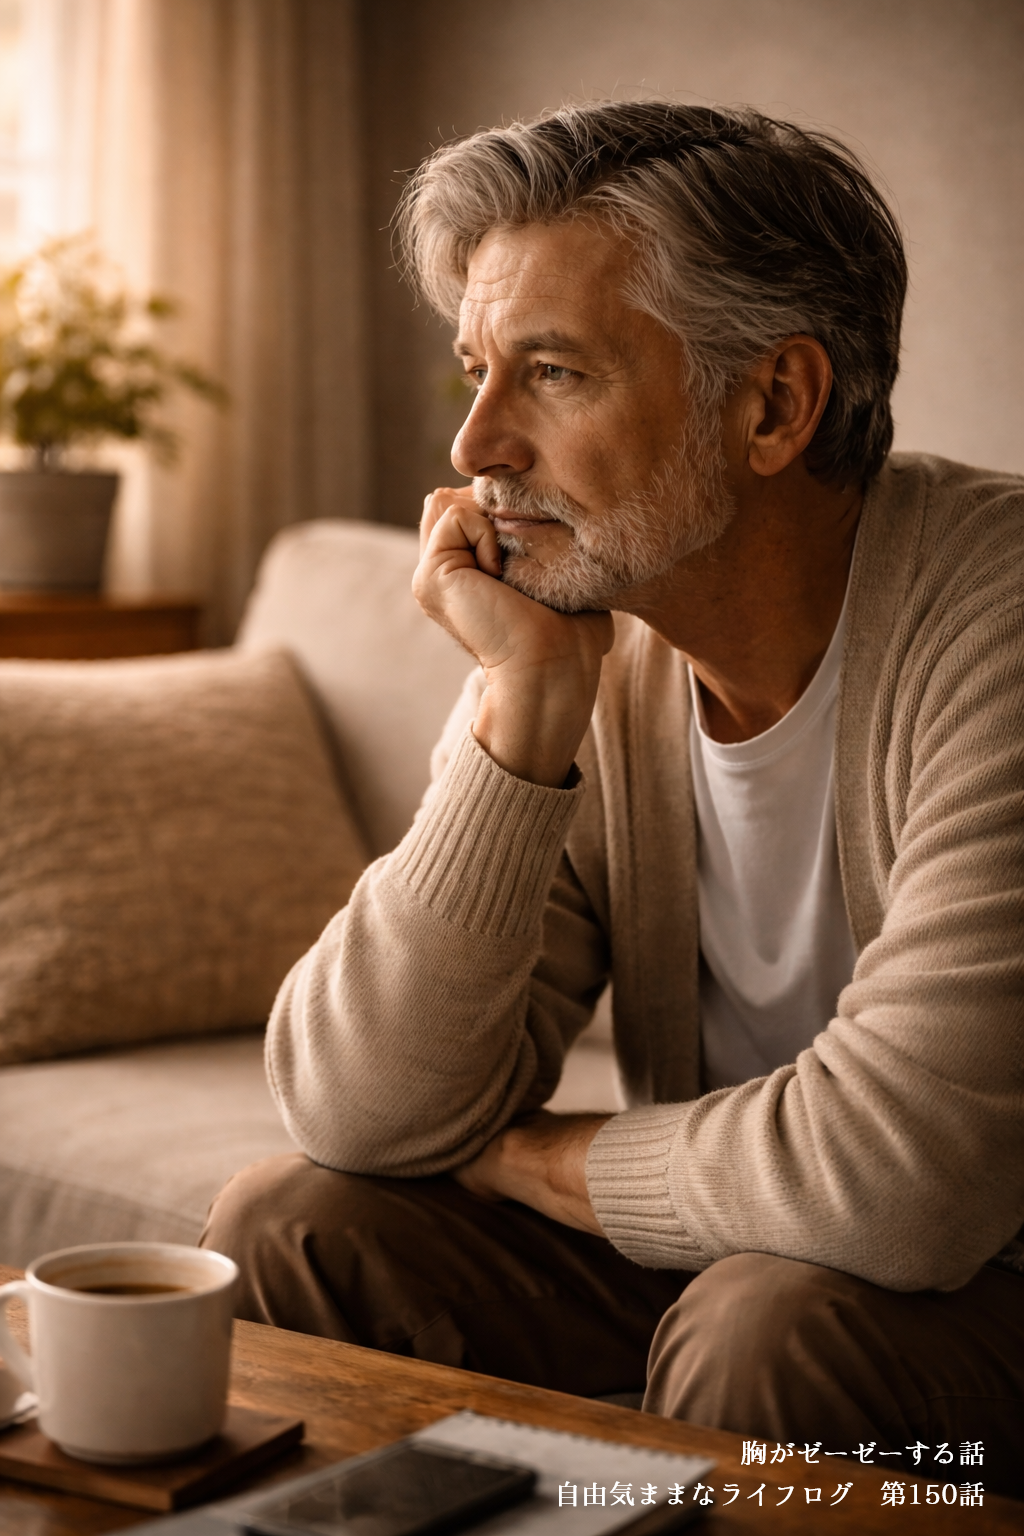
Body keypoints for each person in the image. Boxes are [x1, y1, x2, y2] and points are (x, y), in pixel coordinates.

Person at [203, 103, 1024, 1496]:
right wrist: (522, 710)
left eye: (552, 373)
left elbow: (900, 1180)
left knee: (766, 1333)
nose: (476, 444)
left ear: (775, 405)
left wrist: (532, 1160)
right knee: (294, 1224)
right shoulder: (601, 637)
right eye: (477, 372)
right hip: (751, 1243)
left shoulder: (992, 624)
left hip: (970, 1276)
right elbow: (357, 1111)